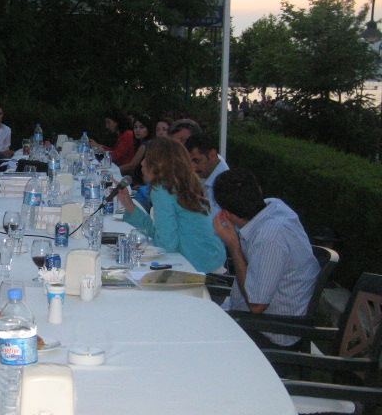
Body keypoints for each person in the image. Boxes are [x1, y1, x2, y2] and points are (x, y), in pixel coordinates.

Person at [212, 168, 320, 349]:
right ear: (258, 190)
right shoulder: (275, 207)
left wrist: (233, 245)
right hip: (252, 316)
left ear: (226, 213)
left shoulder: (269, 238)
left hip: (272, 331)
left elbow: (256, 305)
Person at [116, 138, 226, 274]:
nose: (142, 163)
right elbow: (163, 236)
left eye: (147, 159)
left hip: (197, 269)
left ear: (159, 164)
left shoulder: (163, 190)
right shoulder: (180, 185)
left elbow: (166, 246)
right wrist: (128, 204)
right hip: (211, 261)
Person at [184, 133, 230, 216]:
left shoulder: (227, 187)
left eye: (196, 160)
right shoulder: (206, 171)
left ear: (211, 155)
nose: (193, 167)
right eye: (189, 162)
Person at [118, 114, 154, 185]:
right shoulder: (140, 143)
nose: (137, 130)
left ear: (148, 129)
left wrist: (113, 170)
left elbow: (132, 165)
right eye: (135, 127)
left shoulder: (146, 144)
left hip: (142, 182)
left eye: (141, 127)